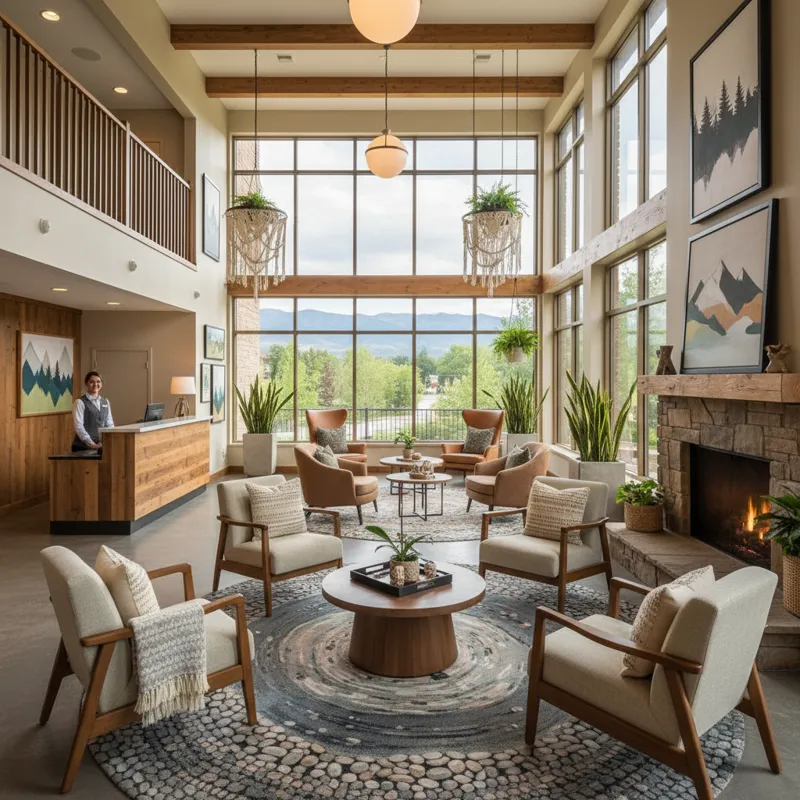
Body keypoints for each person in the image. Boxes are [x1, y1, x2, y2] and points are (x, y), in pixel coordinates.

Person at [72, 371, 114, 452]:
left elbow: (110, 424)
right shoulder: (79, 402)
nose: (95, 384)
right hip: (83, 447)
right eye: (92, 382)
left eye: (98, 382)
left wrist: (106, 441)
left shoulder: (106, 402)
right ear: (86, 383)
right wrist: (91, 444)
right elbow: (78, 427)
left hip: (100, 446)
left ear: (101, 384)